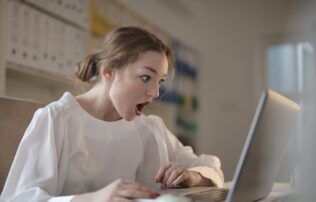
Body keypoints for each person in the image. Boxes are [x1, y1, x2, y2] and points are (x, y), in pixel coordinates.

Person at [0, 27, 224, 202]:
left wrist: (192, 176)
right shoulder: (56, 120)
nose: (155, 93)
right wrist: (93, 198)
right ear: (108, 72)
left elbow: (211, 167)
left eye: (161, 81)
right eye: (146, 77)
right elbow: (18, 198)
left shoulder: (151, 127)